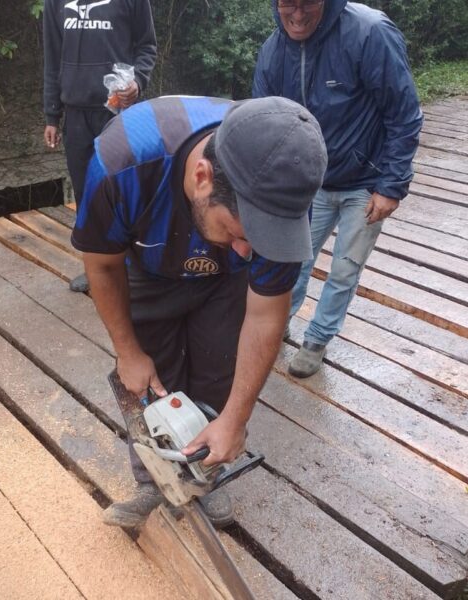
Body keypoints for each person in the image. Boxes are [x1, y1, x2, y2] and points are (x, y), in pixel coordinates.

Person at [71, 95, 327, 528]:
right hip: (147, 268)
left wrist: (235, 420)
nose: (249, 250)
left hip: (226, 283)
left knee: (219, 370)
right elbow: (102, 264)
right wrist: (127, 351)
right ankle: (154, 479)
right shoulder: (121, 164)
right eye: (238, 231)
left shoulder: (283, 192)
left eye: (261, 240)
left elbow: (266, 316)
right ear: (203, 177)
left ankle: (206, 472)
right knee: (151, 380)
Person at [253, 0, 423, 378]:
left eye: (308, 3)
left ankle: (317, 339)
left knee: (345, 268)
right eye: (288, 4)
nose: (297, 15)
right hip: (308, 182)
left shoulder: (369, 33)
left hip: (366, 181)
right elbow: (262, 123)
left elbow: (404, 114)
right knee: (292, 262)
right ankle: (278, 322)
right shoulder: (273, 51)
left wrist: (391, 185)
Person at [43, 0, 157, 292]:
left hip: (118, 112)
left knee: (127, 192)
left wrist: (138, 81)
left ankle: (135, 270)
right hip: (75, 115)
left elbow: (147, 46)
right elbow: (52, 57)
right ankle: (96, 272)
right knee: (86, 196)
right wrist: (52, 115)